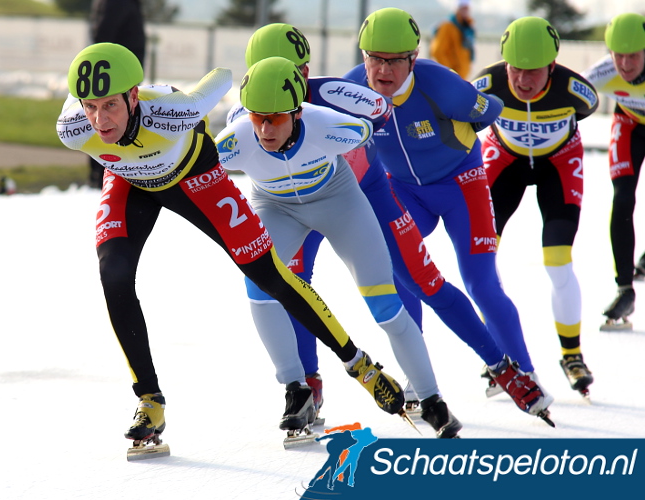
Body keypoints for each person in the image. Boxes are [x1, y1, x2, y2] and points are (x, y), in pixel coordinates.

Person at [56, 42, 408, 448]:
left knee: (271, 276)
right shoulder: (72, 128)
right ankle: (149, 399)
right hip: (129, 182)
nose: (101, 121)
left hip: (193, 178)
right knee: (113, 274)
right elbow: (84, 108)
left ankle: (359, 364)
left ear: (134, 95)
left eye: (111, 106)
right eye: (91, 107)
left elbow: (220, 78)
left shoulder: (174, 112)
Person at [236, 22, 557, 427]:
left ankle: (503, 366)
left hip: (362, 198)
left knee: (423, 280)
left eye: (295, 73)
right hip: (294, 204)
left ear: (305, 70)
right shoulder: (249, 117)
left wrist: (462, 123)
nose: (283, 86)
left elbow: (482, 108)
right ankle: (305, 387)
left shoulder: (340, 92)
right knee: (288, 281)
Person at [216, 56, 462, 438]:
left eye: (276, 118)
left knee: (386, 305)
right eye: (257, 117)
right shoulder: (235, 140)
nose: (265, 129)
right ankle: (296, 391)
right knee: (260, 292)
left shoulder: (326, 124)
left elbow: (374, 127)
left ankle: (432, 401)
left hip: (339, 202)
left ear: (297, 113)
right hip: (275, 208)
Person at [344, 8, 554, 423]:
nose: (383, 70)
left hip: (462, 185)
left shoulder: (440, 83)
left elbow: (489, 110)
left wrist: (463, 122)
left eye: (395, 60)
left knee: (481, 283)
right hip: (404, 190)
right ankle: (414, 371)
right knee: (395, 269)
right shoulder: (349, 89)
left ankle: (522, 369)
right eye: (375, 58)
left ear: (414, 56)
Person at [471, 17, 598, 396]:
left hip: (557, 164)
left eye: (534, 72)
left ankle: (572, 354)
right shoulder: (486, 85)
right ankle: (499, 356)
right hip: (504, 161)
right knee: (481, 257)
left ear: (553, 67)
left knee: (558, 260)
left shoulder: (577, 92)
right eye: (516, 69)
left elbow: (587, 111)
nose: (523, 80)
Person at [582, 13, 645, 328]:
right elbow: (566, 97)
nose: (624, 63)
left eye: (633, 55)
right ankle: (625, 289)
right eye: (617, 54)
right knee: (622, 199)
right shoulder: (604, 72)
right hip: (630, 123)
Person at [87, 0, 147, 189]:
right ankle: (103, 176)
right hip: (114, 77)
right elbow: (102, 36)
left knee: (121, 122)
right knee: (106, 120)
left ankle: (118, 173)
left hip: (124, 75)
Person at [429, 0, 475, 79]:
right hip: (449, 77)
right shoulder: (447, 26)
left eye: (467, 8)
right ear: (457, 8)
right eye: (463, 8)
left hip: (460, 77)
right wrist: (449, 72)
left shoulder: (466, 27)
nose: (466, 11)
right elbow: (437, 51)